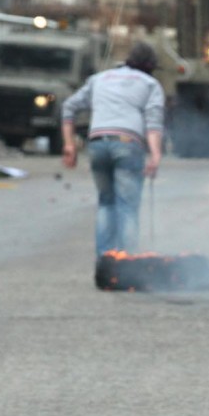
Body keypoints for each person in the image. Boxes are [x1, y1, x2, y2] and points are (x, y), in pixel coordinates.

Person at [61, 42, 165, 259]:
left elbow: (68, 106)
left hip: (97, 143)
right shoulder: (150, 84)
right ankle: (127, 263)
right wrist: (155, 155)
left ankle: (105, 262)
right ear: (150, 66)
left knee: (106, 203)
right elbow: (153, 124)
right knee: (127, 206)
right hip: (128, 143)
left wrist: (69, 144)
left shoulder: (99, 79)